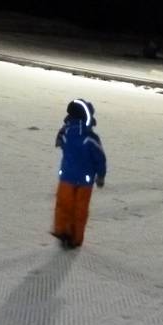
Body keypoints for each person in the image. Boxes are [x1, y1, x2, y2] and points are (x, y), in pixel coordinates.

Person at [51, 99, 107, 249]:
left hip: (67, 177)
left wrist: (61, 139)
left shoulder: (66, 132)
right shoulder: (91, 138)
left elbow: (60, 142)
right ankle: (75, 238)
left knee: (63, 205)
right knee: (80, 210)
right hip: (85, 180)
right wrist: (101, 175)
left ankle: (63, 231)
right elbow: (100, 158)